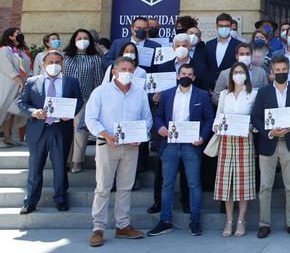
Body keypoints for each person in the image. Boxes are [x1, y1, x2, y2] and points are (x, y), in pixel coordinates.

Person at [85, 57, 152, 247]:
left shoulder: (139, 93)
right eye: (123, 69)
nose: (127, 72)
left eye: (131, 69)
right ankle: (98, 228)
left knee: (125, 187)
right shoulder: (101, 92)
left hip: (131, 147)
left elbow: (147, 118)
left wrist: (142, 134)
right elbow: (91, 118)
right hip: (108, 146)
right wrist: (105, 134)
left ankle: (123, 225)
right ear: (114, 72)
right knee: (103, 187)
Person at [148, 64, 214, 237]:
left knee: (194, 184)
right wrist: (160, 127)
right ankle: (165, 220)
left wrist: (203, 136)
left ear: (193, 77)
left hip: (192, 145)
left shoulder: (202, 95)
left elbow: (209, 119)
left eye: (190, 74)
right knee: (167, 184)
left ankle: (194, 221)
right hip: (170, 144)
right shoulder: (167, 94)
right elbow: (159, 116)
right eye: (183, 73)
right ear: (178, 76)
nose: (186, 76)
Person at [18, 50, 82, 213]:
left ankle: (60, 199)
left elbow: (78, 101)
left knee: (60, 166)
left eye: (58, 62)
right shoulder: (32, 81)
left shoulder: (71, 82)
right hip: (38, 129)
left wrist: (71, 113)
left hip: (60, 129)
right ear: (43, 64)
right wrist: (33, 112)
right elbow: (22, 103)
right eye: (51, 62)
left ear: (62, 64)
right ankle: (30, 201)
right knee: (34, 168)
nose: (54, 65)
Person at [251, 56, 290, 238]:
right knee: (265, 186)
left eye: (284, 69)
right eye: (278, 70)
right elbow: (256, 118)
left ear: (288, 70)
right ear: (272, 72)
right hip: (269, 143)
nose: (281, 73)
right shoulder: (264, 92)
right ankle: (264, 224)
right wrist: (269, 132)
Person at [213, 61, 258, 238]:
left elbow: (256, 118)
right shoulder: (225, 94)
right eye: (235, 72)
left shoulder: (254, 94)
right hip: (226, 141)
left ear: (247, 74)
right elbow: (218, 118)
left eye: (241, 72)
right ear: (231, 75)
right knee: (227, 185)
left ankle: (241, 220)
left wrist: (251, 127)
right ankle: (229, 220)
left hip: (245, 141)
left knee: (243, 184)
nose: (238, 75)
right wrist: (216, 127)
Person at [62, 29, 106, 172]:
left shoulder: (95, 58)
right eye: (79, 38)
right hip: (66, 99)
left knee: (80, 130)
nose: (82, 40)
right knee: (66, 130)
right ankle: (66, 159)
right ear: (74, 40)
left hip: (85, 98)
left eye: (85, 38)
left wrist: (96, 101)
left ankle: (77, 161)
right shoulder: (66, 57)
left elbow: (99, 81)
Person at [0, 27, 28, 148]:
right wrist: (20, 81)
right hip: (6, 85)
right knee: (2, 108)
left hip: (17, 86)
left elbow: (26, 68)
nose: (20, 34)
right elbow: (7, 68)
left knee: (10, 111)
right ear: (10, 36)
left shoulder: (20, 51)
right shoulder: (4, 50)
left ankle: (7, 137)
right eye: (17, 33)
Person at [204, 13, 242, 91]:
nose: (224, 28)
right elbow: (206, 65)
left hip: (230, 86)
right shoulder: (209, 44)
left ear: (231, 27)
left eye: (227, 26)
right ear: (216, 27)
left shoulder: (238, 45)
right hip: (210, 88)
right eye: (221, 26)